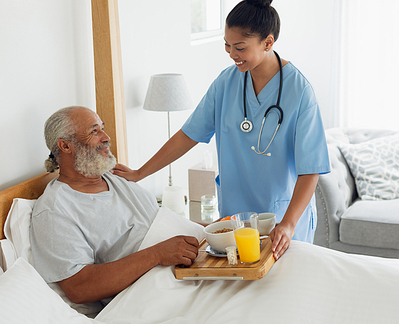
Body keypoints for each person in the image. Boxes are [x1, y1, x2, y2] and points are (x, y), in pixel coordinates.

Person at [112, 0, 330, 260]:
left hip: (282, 223)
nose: (231, 54)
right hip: (234, 219)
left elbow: (311, 170)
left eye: (240, 47)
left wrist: (289, 224)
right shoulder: (226, 83)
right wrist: (139, 173)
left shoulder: (300, 92)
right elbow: (187, 136)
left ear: (268, 43)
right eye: (227, 45)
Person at [30, 106, 199, 304]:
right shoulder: (55, 210)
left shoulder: (116, 178)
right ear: (66, 146)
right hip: (151, 293)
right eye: (94, 131)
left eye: (102, 128)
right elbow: (79, 287)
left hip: (189, 268)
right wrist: (157, 254)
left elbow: (160, 221)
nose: (106, 137)